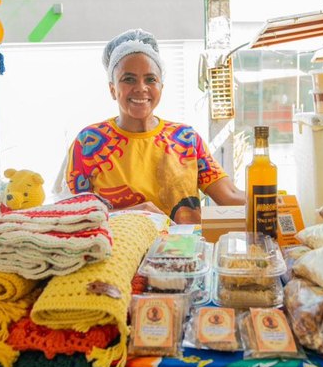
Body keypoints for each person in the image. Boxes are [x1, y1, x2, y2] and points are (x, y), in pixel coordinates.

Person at [64, 28, 245, 223]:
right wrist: (135, 213)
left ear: (161, 88)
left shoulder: (185, 138)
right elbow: (73, 215)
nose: (141, 87)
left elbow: (229, 195)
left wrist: (275, 201)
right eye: (128, 79)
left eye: (150, 79)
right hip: (121, 252)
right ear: (112, 89)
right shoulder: (89, 143)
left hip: (187, 251)